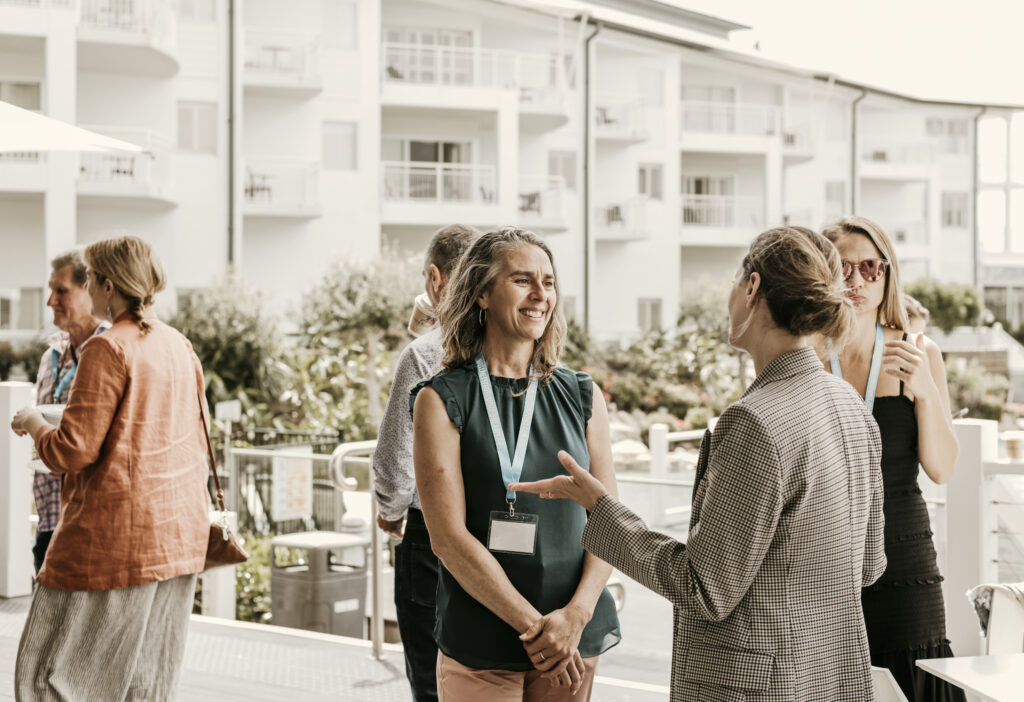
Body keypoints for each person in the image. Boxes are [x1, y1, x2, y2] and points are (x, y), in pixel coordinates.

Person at [512, 226, 887, 701]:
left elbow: (705, 587)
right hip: (833, 678)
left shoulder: (754, 422)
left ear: (752, 289)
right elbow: (869, 563)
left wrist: (601, 508)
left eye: (735, 283)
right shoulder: (851, 407)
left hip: (757, 687)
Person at [411, 227, 621, 701]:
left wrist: (576, 617)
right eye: (522, 280)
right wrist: (537, 630)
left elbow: (609, 523)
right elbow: (447, 538)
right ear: (482, 293)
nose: (540, 295)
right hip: (483, 641)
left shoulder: (583, 395)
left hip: (573, 638)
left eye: (548, 282)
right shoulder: (441, 399)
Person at [10, 236, 211, 701]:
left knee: (51, 674)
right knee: (145, 679)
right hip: (176, 538)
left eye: (91, 279)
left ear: (106, 284)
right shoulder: (179, 345)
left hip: (112, 542)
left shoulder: (108, 348)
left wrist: (36, 423)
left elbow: (72, 450)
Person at [823, 216, 964, 702]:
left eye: (870, 268)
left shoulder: (920, 352)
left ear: (887, 275)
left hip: (903, 553)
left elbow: (943, 469)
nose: (858, 281)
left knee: (914, 679)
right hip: (826, 555)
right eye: (843, 268)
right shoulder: (809, 356)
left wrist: (924, 391)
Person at [373, 223, 480, 701]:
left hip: (431, 539)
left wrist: (389, 511)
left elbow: (396, 460)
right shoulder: (511, 348)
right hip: (497, 538)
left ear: (435, 279)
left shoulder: (422, 355)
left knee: (432, 682)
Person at [30, 250, 109, 574]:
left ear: (88, 289)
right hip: (50, 517)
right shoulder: (52, 354)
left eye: (61, 290)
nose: (51, 301)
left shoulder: (109, 349)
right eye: (50, 290)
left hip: (87, 524)